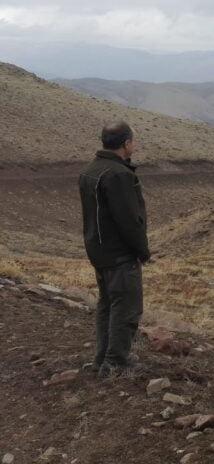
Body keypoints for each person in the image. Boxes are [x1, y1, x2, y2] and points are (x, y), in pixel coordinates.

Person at [78, 121, 150, 378]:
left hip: (99, 251)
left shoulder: (91, 170)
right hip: (120, 255)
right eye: (132, 141)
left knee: (107, 305)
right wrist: (142, 250)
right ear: (126, 143)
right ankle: (115, 363)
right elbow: (129, 220)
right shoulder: (119, 175)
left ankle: (101, 360)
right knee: (126, 308)